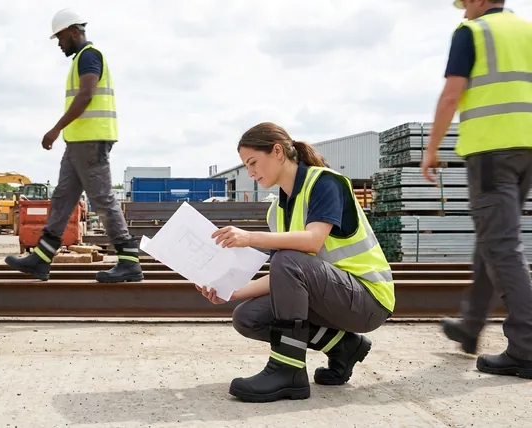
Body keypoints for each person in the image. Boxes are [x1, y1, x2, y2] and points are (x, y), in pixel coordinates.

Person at [196, 122, 395, 402]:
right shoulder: (276, 210)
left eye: (253, 162)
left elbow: (312, 242)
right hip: (333, 298)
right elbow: (284, 276)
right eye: (246, 166)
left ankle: (288, 369)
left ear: (277, 152)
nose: (250, 173)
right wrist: (231, 293)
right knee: (247, 317)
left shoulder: (326, 182)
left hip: (367, 299)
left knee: (288, 258)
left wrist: (250, 238)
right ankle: (343, 347)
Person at [420, 0, 532, 379]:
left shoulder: (473, 33)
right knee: (493, 238)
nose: (462, 10)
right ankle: (471, 326)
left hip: (490, 151)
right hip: (526, 149)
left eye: (465, 2)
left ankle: (527, 347)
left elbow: (452, 94)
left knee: (501, 245)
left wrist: (431, 148)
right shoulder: (527, 29)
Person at [5, 8, 143, 283]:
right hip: (78, 143)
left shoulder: (89, 56)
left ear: (73, 32)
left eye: (60, 37)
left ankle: (129, 261)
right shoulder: (81, 58)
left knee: (102, 199)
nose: (59, 44)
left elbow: (86, 94)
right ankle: (41, 259)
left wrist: (55, 129)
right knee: (63, 198)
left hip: (90, 142)